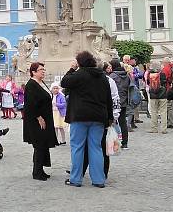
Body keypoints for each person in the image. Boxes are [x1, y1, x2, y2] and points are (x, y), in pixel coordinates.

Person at [61, 51, 112, 188]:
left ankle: (76, 179)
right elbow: (108, 99)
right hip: (99, 117)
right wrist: (110, 117)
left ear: (80, 62)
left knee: (78, 147)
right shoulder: (102, 77)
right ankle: (98, 180)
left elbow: (64, 82)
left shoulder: (79, 74)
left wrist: (72, 68)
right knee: (96, 148)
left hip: (80, 116)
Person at [23, 62, 58, 181]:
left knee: (42, 144)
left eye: (43, 69)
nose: (43, 71)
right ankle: (37, 172)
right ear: (33, 72)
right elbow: (30, 104)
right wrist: (38, 117)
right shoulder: (31, 85)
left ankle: (40, 169)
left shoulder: (40, 83)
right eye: (40, 69)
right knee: (39, 144)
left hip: (45, 117)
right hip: (37, 120)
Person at [109, 60, 131, 149]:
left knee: (112, 122)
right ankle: (125, 142)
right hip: (124, 100)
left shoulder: (112, 76)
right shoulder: (126, 75)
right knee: (123, 122)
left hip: (115, 101)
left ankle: (113, 142)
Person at [146, 61, 168, 133]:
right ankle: (164, 129)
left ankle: (154, 128)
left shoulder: (149, 74)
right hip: (162, 95)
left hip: (153, 95)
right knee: (163, 112)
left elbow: (148, 83)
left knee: (153, 111)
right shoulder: (162, 74)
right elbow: (165, 82)